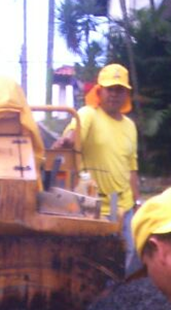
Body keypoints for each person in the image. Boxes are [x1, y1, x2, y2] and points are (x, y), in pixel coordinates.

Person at [51, 63, 139, 271]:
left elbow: (132, 168)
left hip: (123, 206)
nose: (115, 95)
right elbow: (74, 135)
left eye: (120, 90)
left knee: (127, 252)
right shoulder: (88, 114)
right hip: (93, 205)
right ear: (100, 91)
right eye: (110, 89)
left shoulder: (130, 126)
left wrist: (136, 203)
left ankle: (115, 298)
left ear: (126, 94)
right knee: (94, 258)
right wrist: (67, 141)